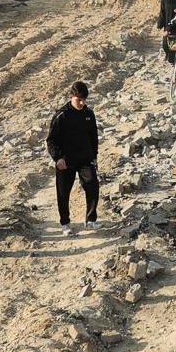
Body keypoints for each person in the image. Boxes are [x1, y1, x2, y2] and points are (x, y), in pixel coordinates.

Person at [46, 81, 101, 236]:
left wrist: (94, 156)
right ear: (71, 96)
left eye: (84, 100)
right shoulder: (61, 116)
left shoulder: (89, 114)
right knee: (63, 193)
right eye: (79, 100)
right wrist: (58, 158)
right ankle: (65, 223)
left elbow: (93, 137)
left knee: (92, 186)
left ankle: (90, 219)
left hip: (85, 159)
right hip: (66, 161)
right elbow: (51, 140)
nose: (82, 103)